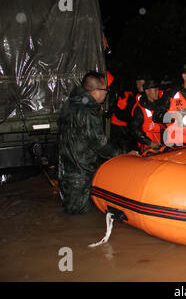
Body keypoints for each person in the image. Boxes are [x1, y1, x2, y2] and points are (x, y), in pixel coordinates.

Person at [57, 71, 137, 214]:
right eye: (105, 89)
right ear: (95, 91)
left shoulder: (70, 104)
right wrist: (123, 156)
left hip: (67, 167)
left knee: (71, 212)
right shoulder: (87, 112)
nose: (106, 93)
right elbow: (99, 143)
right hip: (81, 172)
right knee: (80, 217)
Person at [153, 62, 186, 145]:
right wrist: (175, 116)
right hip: (174, 145)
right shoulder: (172, 94)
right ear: (184, 76)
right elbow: (156, 116)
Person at [109, 74, 146, 152]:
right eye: (140, 83)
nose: (141, 86)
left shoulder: (137, 94)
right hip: (119, 127)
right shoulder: (127, 94)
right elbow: (119, 113)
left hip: (127, 128)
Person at [129, 76, 163, 154]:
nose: (157, 92)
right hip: (147, 149)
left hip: (162, 147)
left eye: (157, 89)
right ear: (147, 91)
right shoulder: (139, 109)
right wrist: (150, 143)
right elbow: (135, 130)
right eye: (154, 90)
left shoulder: (161, 105)